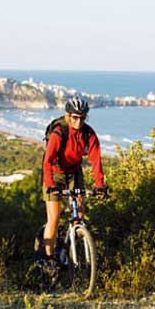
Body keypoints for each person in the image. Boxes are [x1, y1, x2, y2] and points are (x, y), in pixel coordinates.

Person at [42, 96, 107, 266]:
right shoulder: (59, 132)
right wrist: (50, 185)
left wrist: (100, 185)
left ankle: (72, 248)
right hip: (55, 172)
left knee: (79, 214)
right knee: (54, 217)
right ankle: (49, 262)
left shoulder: (88, 133)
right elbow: (47, 161)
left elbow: (96, 160)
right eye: (75, 117)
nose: (79, 121)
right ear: (68, 115)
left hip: (74, 172)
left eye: (82, 117)